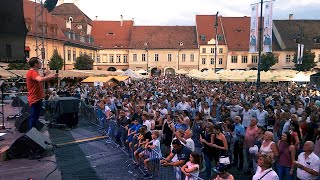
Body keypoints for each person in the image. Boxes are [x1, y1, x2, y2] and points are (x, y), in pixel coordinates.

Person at [26, 57, 57, 130]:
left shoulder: (34, 72)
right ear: (35, 64)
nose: (41, 64)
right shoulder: (32, 72)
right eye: (40, 63)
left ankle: (33, 133)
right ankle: (31, 134)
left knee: (35, 117)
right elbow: (40, 80)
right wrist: (51, 76)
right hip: (35, 98)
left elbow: (39, 79)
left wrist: (46, 75)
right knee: (33, 117)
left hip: (37, 98)